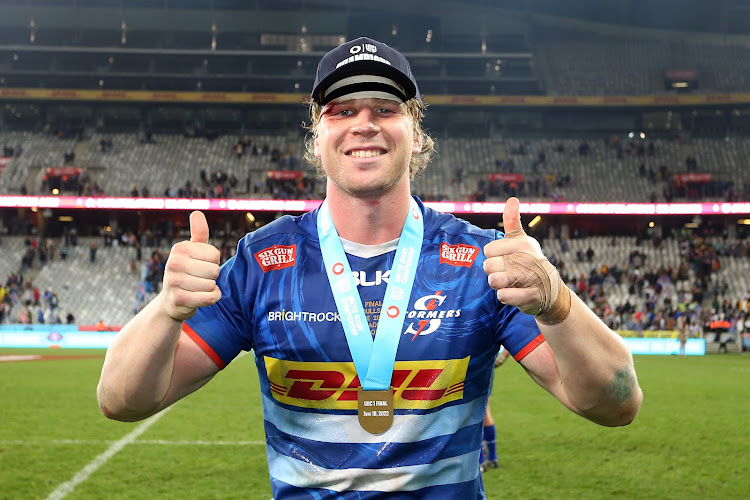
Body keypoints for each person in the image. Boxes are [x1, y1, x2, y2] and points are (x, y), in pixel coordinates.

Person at [97, 37, 642, 499]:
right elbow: (121, 401)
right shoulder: (264, 262)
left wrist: (557, 302)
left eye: (385, 108)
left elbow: (616, 405)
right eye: (342, 110)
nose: (364, 124)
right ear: (318, 132)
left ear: (415, 129)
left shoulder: (484, 262)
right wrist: (166, 310)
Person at [479, 348, 511, 473]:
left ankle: (481, 460)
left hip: (471, 365)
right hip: (487, 365)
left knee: (475, 413)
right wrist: (501, 359)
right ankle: (492, 458)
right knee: (485, 411)